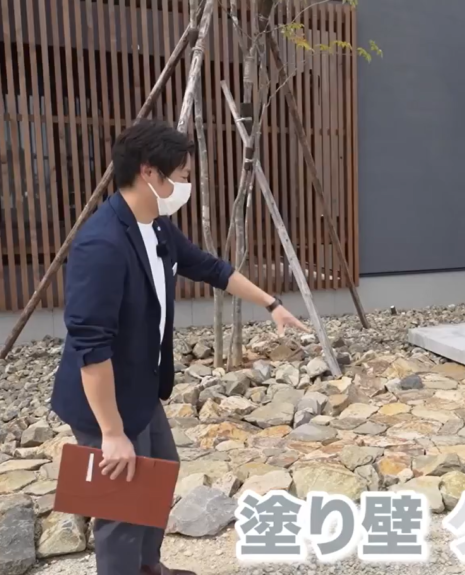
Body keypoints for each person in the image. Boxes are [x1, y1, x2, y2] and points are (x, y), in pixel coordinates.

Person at [51, 120, 307, 575]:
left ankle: (148, 566)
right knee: (120, 504)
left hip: (140, 386)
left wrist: (271, 304)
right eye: (183, 176)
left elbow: (210, 268)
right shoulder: (102, 243)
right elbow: (91, 346)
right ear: (150, 172)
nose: (186, 185)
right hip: (103, 398)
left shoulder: (156, 228)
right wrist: (112, 433)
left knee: (160, 470)